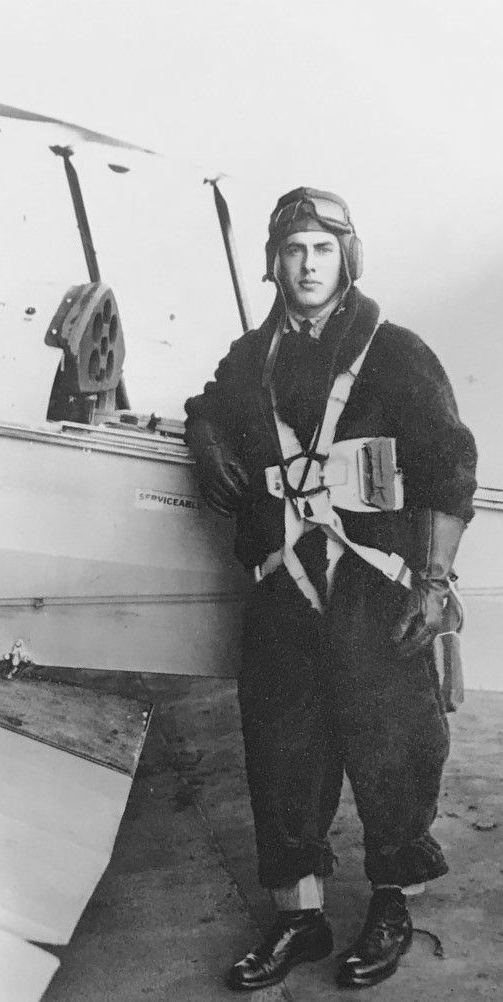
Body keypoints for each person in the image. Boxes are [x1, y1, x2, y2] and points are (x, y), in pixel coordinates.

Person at [184, 187, 477, 990]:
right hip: (282, 585)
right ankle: (299, 918)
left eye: (322, 249)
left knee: (394, 745)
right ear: (273, 263)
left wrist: (432, 584)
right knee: (281, 750)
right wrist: (206, 438)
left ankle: (390, 905)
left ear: (347, 258)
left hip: (376, 585)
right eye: (293, 250)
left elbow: (450, 470)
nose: (307, 266)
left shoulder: (397, 352)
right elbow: (208, 404)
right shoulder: (252, 358)